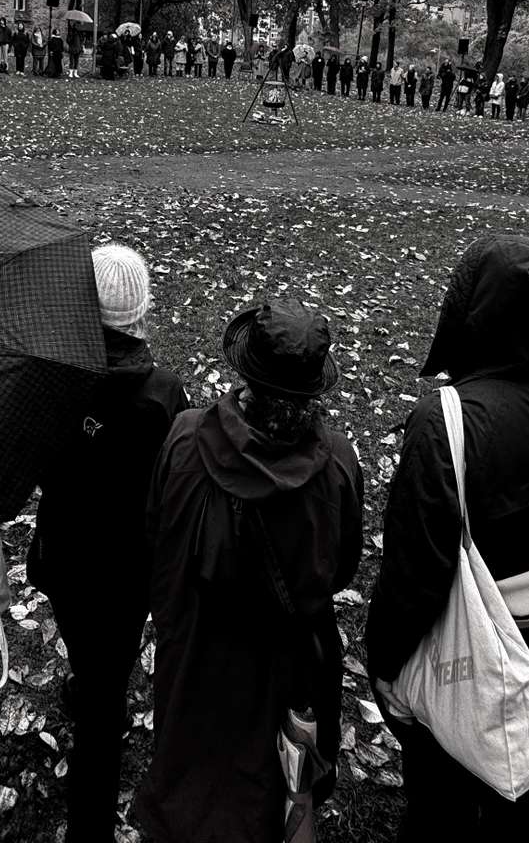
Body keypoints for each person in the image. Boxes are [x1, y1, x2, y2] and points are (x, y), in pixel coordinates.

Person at [367, 235, 529, 843]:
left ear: (478, 312)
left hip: (460, 659)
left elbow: (415, 570)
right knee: (515, 797)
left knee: (439, 810)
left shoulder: (447, 422)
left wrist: (387, 663)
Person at [138, 298, 362, 843]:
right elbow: (341, 569)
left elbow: (156, 533)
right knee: (265, 784)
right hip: (280, 659)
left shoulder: (184, 436)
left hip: (196, 646)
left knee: (196, 772)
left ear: (246, 374)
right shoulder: (338, 462)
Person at [28, 246, 188, 843]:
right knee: (105, 693)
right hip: (126, 571)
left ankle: (87, 683)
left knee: (88, 650)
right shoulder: (164, 396)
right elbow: (172, 486)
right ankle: (89, 826)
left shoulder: (50, 378)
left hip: (65, 556)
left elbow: (34, 463)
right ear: (141, 311)